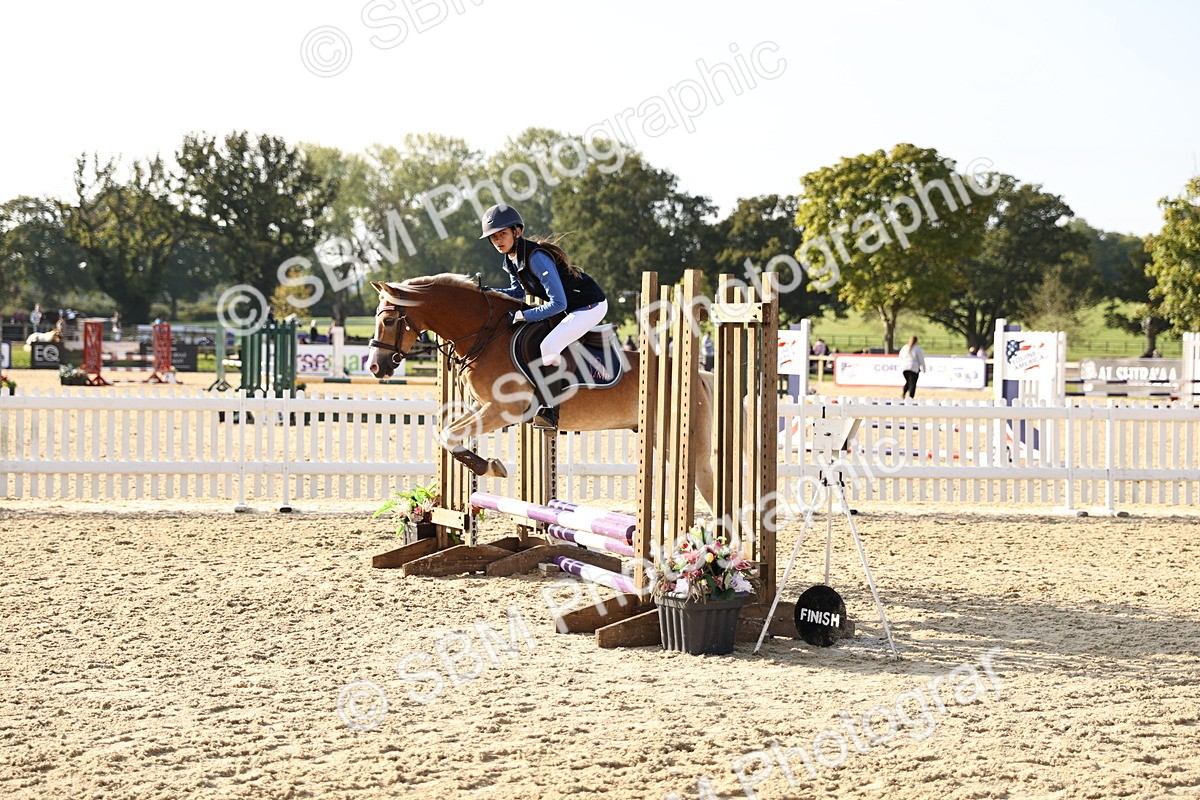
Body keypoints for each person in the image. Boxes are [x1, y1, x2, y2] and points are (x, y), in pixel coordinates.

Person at [480, 204, 608, 430]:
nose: (498, 241)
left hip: (590, 305)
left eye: (502, 234)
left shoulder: (537, 258)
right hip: (572, 308)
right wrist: (489, 292)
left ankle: (551, 411)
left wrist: (523, 315)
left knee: (549, 344)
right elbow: (517, 293)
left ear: (517, 232)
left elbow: (559, 304)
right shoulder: (511, 260)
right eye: (493, 237)